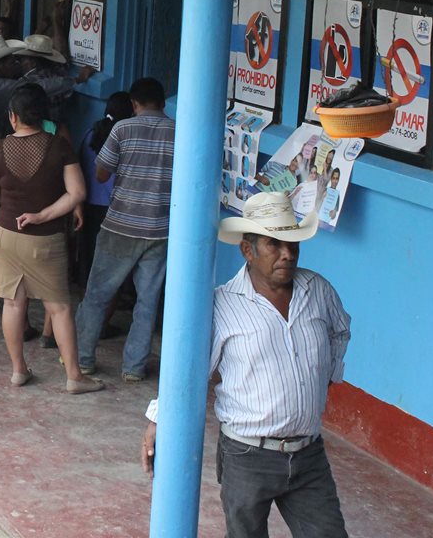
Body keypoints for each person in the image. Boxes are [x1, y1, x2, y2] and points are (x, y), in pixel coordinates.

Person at [141, 191, 351, 538]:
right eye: (274, 244)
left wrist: (325, 376)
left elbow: (341, 329)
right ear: (247, 250)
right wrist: (157, 420)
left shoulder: (318, 290)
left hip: (308, 454)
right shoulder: (223, 305)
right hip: (247, 455)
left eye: (292, 244)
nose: (287, 254)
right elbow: (192, 372)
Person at [0, 86, 104, 393]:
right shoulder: (59, 147)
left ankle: (18, 370)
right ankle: (74, 376)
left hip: (6, 233)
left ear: (13, 117)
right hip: (46, 239)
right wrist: (43, 215)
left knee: (12, 303)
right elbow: (77, 193)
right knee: (59, 307)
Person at [76, 78, 175, 381]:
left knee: (97, 294)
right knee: (147, 301)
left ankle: (82, 359)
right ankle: (133, 367)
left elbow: (102, 174)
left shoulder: (122, 129)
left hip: (120, 224)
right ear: (162, 102)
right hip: (159, 228)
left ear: (134, 103)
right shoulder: (179, 132)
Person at [77, 93, 135, 287]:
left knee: (90, 251)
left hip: (89, 203)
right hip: (115, 207)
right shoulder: (125, 136)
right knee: (114, 257)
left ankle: (87, 288)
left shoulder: (90, 133)